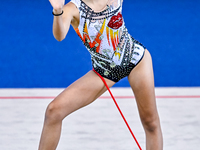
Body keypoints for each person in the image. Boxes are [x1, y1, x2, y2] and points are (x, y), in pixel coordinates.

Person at [38, 0, 163, 149]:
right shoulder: (73, 8)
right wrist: (58, 10)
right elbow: (59, 35)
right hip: (104, 71)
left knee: (151, 123)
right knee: (53, 111)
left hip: (135, 59)